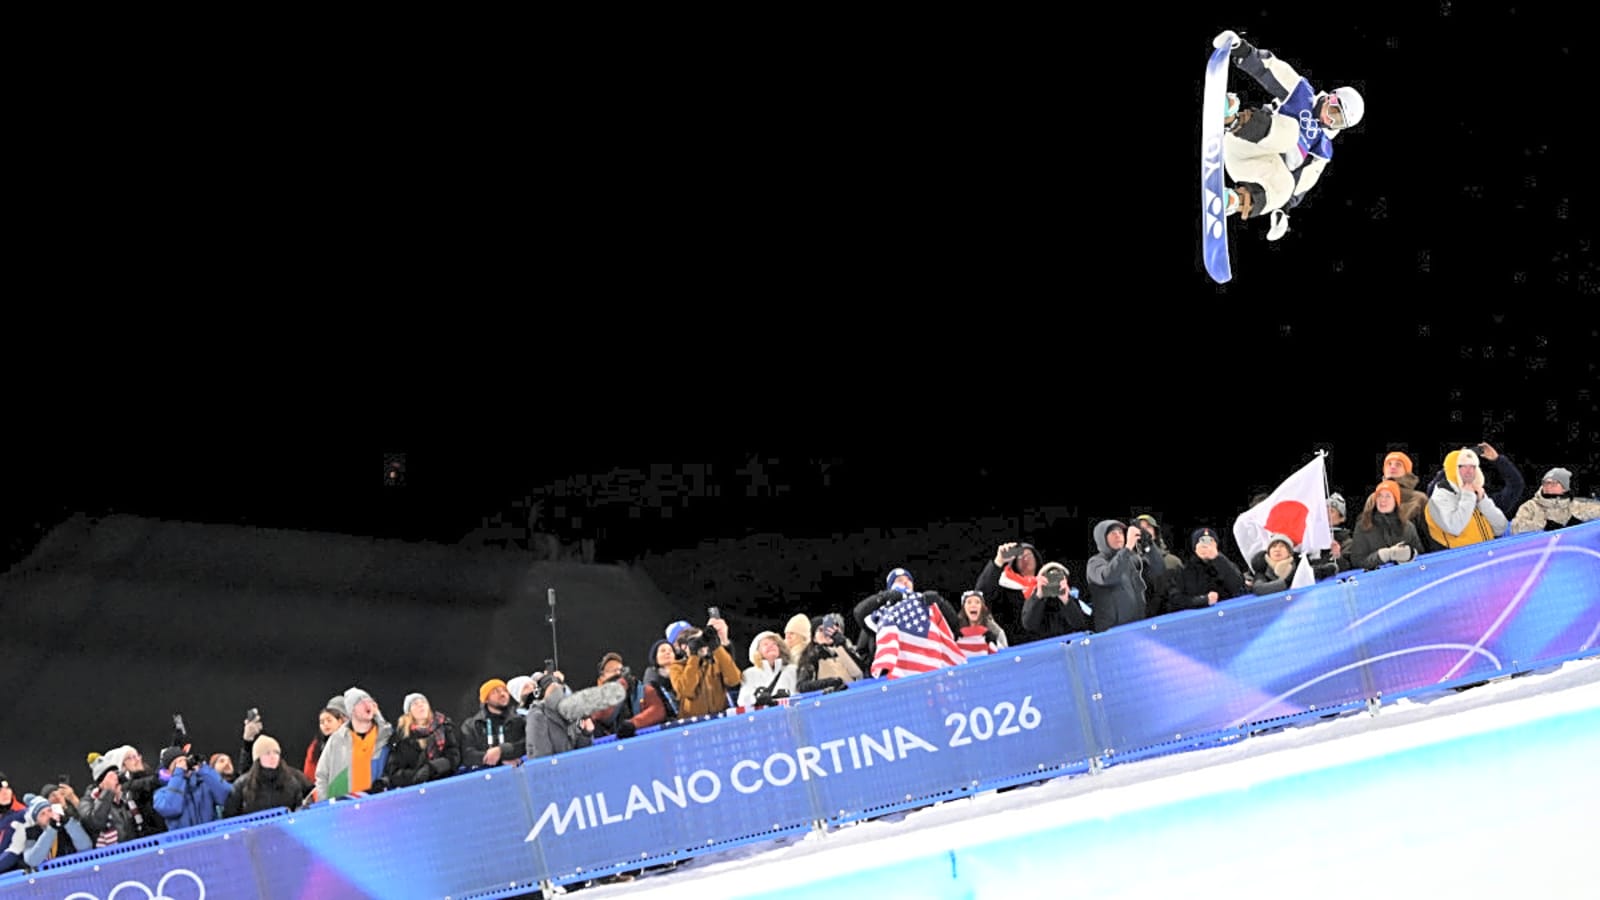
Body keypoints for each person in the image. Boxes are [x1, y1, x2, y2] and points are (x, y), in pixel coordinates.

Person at [1220, 33, 1365, 240]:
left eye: (1337, 121)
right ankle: (1232, 120)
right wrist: (1241, 50)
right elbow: (1269, 69)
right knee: (1291, 133)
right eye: (1333, 111)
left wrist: (1283, 210)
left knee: (1286, 185)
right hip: (1244, 142)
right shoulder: (1301, 95)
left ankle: (1234, 201)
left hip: (1250, 170)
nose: (1329, 119)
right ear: (1330, 97)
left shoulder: (1322, 148)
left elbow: (1300, 185)